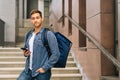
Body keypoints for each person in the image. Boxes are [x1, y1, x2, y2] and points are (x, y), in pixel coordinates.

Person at [17, 9, 60, 80]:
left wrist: (45, 68)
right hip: (28, 70)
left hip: (42, 72)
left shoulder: (48, 34)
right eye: (33, 18)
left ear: (42, 19)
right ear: (31, 20)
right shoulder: (28, 35)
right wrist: (25, 53)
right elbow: (26, 50)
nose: (35, 20)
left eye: (37, 18)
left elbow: (56, 54)